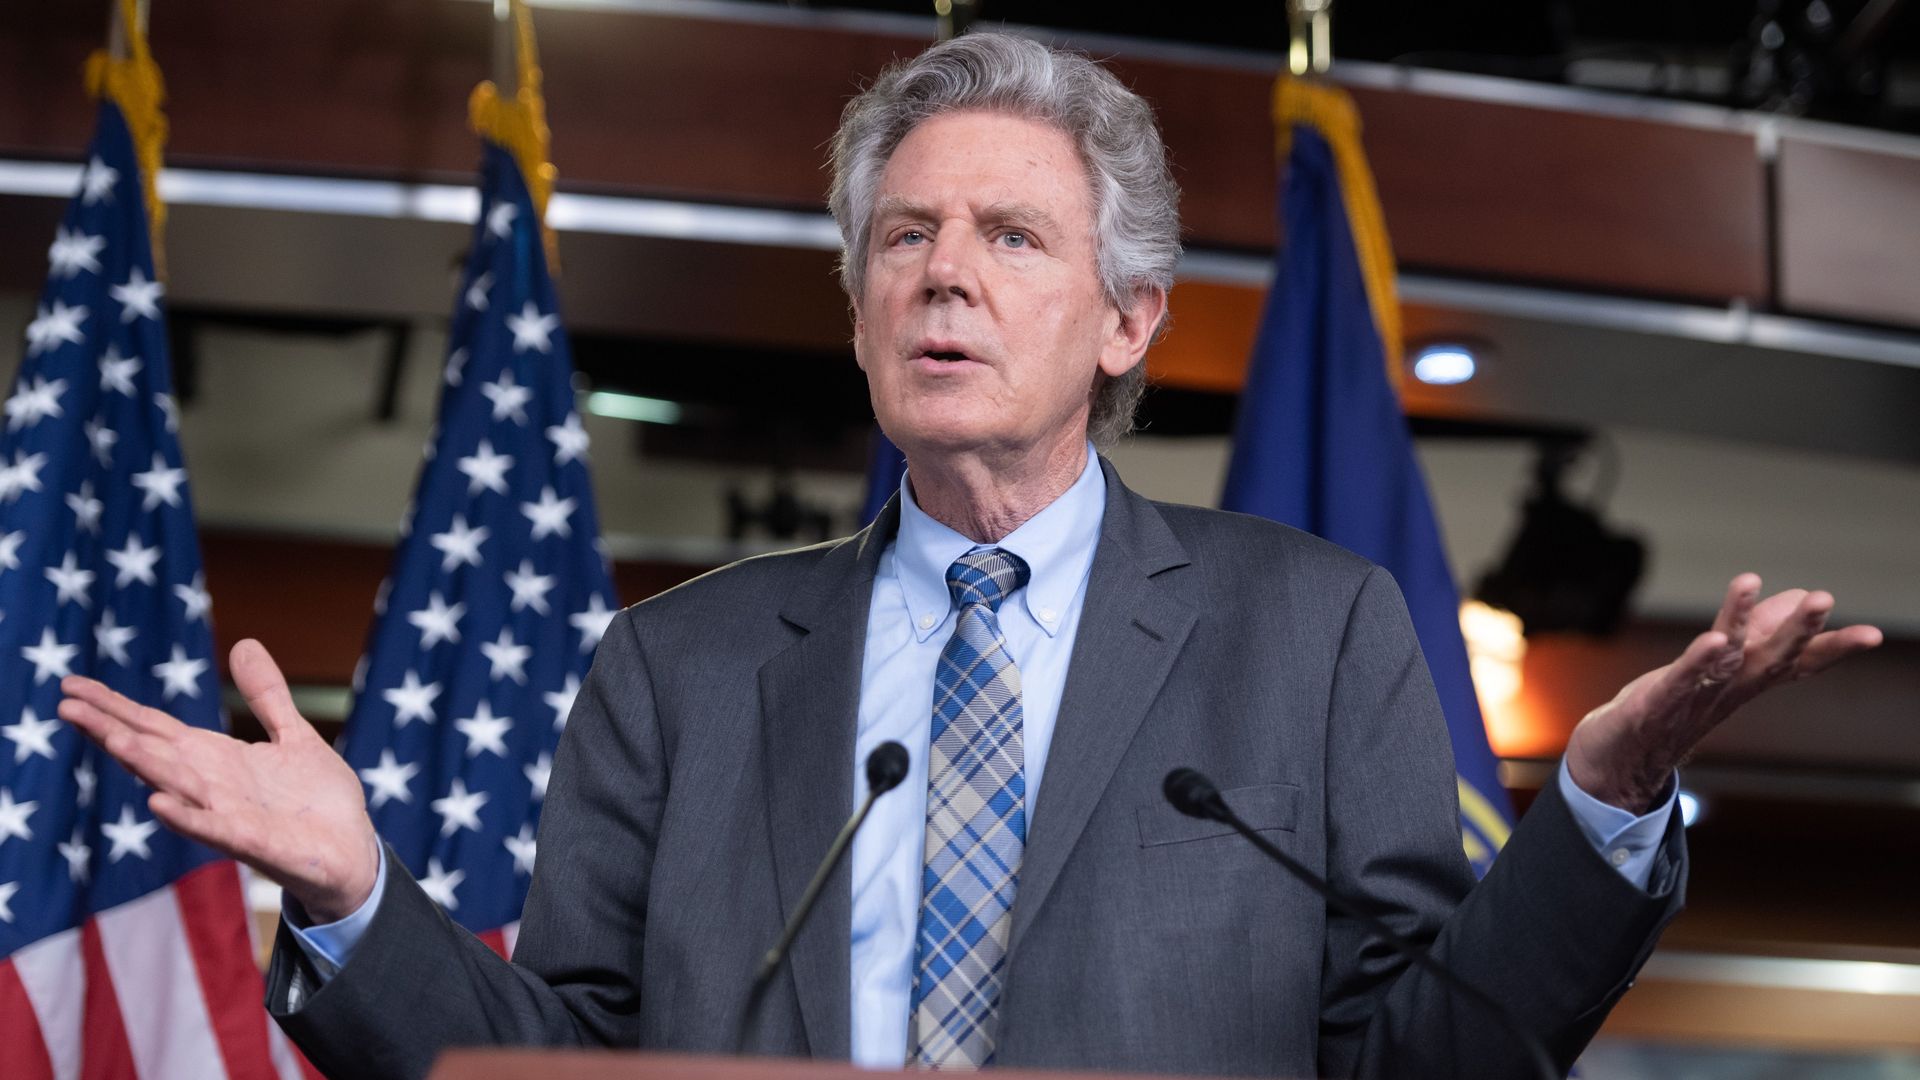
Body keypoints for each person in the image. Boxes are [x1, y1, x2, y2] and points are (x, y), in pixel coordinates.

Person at [58, 32, 1881, 1080]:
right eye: (904, 238)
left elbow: (1429, 1061)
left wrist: (1609, 798)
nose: (943, 272)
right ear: (857, 313)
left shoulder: (1310, 635)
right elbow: (552, 1068)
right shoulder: (674, 672)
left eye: (1012, 235)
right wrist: (359, 888)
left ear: (1126, 318)